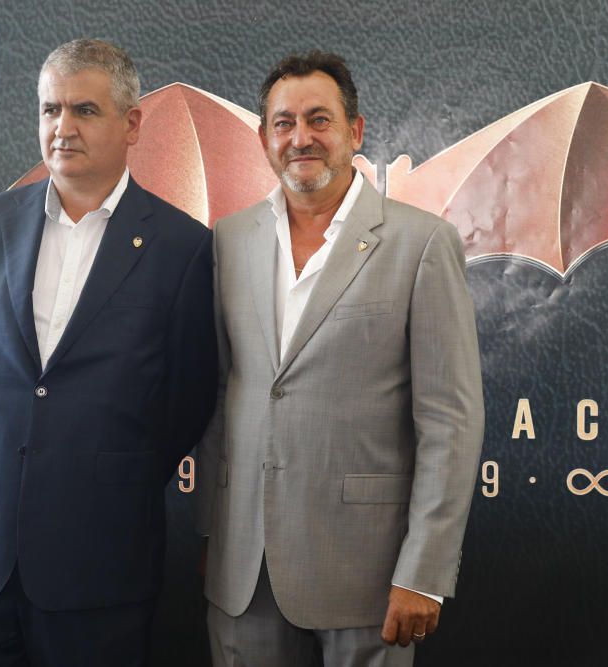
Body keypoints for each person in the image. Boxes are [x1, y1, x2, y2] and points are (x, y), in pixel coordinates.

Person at [0, 38, 217, 666]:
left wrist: (98, 462)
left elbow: (185, 402)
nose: (62, 128)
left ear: (132, 123)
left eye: (84, 110)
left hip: (97, 566)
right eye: (50, 110)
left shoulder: (182, 247)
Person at [196, 51, 485, 666]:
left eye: (319, 120)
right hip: (243, 573)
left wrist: (425, 571)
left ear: (355, 132)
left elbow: (451, 423)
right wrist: (211, 532)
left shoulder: (422, 244)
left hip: (369, 577)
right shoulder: (229, 239)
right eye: (283, 123)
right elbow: (222, 395)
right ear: (264, 138)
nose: (301, 137)